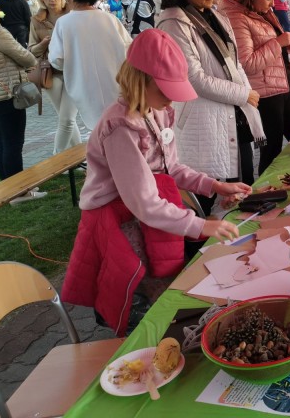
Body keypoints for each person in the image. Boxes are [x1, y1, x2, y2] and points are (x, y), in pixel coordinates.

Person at [62, 28, 249, 336]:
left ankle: (169, 340)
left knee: (162, 286)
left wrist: (214, 186)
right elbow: (144, 202)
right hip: (119, 221)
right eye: (165, 91)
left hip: (146, 215)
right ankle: (143, 351)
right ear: (140, 80)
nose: (170, 101)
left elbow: (171, 167)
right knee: (139, 300)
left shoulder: (156, 112)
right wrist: (200, 226)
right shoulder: (120, 128)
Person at [157, 0, 264, 215]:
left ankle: (240, 250)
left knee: (240, 194)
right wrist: (243, 94)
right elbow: (194, 78)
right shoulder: (173, 22)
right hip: (204, 125)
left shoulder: (217, 16)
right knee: (210, 199)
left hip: (234, 115)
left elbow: (235, 63)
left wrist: (248, 95)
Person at [220, 0, 290, 174]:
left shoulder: (261, 11)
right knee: (272, 151)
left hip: (283, 85)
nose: (272, 4)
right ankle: (266, 197)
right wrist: (278, 43)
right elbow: (247, 64)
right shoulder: (237, 17)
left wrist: (287, 45)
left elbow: (270, 47)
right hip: (265, 96)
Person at [48, 0, 131, 130]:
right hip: (117, 83)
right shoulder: (109, 19)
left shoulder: (63, 23)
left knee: (98, 131)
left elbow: (56, 60)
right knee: (121, 128)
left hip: (84, 86)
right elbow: (129, 50)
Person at [28, 0, 82, 153]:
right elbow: (31, 50)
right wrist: (44, 43)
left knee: (67, 119)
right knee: (66, 118)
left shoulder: (74, 14)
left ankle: (58, 160)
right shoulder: (36, 20)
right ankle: (80, 158)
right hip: (51, 73)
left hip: (75, 71)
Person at [0, 12, 37, 180]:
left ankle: (7, 186)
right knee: (13, 143)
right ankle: (19, 190)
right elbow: (26, 58)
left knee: (0, 143)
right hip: (7, 95)